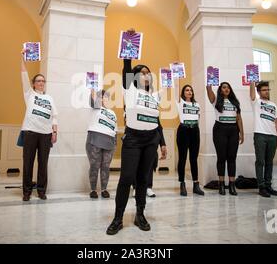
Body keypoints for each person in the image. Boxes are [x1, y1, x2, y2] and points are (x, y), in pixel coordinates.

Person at [107, 30, 162, 235]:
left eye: (149, 72)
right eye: (143, 72)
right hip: (133, 139)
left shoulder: (154, 95)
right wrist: (129, 44)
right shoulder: (130, 89)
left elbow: (158, 120)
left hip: (151, 140)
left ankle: (140, 214)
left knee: (143, 179)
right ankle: (118, 218)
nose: (146, 75)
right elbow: (126, 67)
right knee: (126, 177)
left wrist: (159, 140)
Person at [20, 49, 58, 201]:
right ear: (34, 84)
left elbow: (54, 116)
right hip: (30, 132)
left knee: (43, 164)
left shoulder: (49, 98)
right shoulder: (29, 94)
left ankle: (41, 190)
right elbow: (23, 75)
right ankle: (27, 191)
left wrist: (54, 132)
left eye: (43, 81)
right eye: (38, 81)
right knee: (28, 163)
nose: (41, 83)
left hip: (46, 134)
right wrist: (22, 58)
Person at [207, 82, 244, 196]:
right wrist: (209, 79)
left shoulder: (235, 102)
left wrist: (242, 133)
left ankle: (232, 185)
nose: (226, 89)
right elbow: (209, 90)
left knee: (232, 158)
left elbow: (239, 119)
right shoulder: (216, 100)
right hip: (220, 129)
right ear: (220, 90)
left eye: (228, 87)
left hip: (233, 130)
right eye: (224, 87)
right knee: (221, 157)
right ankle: (221, 184)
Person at [250, 81, 277, 198]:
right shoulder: (256, 102)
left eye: (268, 90)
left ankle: (269, 186)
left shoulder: (273, 105)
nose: (266, 92)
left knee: (269, 162)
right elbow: (252, 95)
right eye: (264, 90)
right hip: (260, 134)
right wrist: (252, 82)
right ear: (259, 92)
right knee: (260, 161)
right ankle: (261, 187)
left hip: (272, 136)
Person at [175, 80, 204, 196]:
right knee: (182, 158)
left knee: (193, 158)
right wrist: (176, 76)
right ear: (183, 93)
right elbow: (176, 89)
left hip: (195, 131)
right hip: (183, 130)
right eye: (187, 90)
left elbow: (198, 118)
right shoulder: (180, 102)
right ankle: (182, 184)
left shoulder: (197, 105)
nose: (189, 91)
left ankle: (196, 185)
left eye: (191, 90)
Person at [86, 88, 117, 199]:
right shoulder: (96, 107)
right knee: (94, 166)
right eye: (102, 96)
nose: (105, 98)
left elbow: (115, 129)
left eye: (106, 97)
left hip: (109, 142)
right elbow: (93, 97)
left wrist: (115, 143)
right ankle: (93, 190)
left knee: (105, 167)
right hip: (95, 140)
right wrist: (93, 87)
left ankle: (104, 189)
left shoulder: (112, 112)